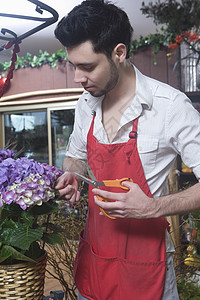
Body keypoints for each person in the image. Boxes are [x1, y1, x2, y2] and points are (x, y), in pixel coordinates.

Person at [54, 0, 200, 299]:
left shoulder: (170, 107)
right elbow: (75, 158)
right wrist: (72, 174)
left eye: (87, 67)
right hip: (95, 254)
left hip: (146, 263)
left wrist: (152, 207)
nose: (78, 78)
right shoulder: (86, 104)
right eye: (74, 66)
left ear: (119, 53)